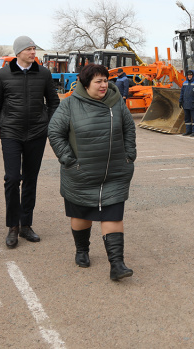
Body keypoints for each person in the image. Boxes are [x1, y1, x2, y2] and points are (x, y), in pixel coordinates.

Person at [48, 64, 137, 279]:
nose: (104, 85)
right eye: (98, 81)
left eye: (105, 80)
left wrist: (129, 154)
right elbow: (54, 132)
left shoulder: (117, 103)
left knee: (113, 215)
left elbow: (129, 128)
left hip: (114, 172)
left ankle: (117, 265)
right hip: (81, 173)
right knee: (81, 215)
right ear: (85, 84)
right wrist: (69, 160)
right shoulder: (69, 104)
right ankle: (82, 250)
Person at [0, 36, 60, 248]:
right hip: (11, 132)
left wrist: (49, 124)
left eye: (34, 49)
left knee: (30, 179)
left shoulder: (43, 73)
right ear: (18, 52)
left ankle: (26, 225)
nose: (33, 52)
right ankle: (13, 227)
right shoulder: (3, 75)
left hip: (37, 133)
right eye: (29, 49)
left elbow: (54, 102)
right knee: (12, 178)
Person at [179, 69, 194, 136]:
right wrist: (180, 101)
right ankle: (188, 131)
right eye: (188, 75)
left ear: (193, 75)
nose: (189, 76)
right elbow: (182, 93)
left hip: (193, 104)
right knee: (187, 119)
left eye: (190, 75)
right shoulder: (184, 83)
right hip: (186, 104)